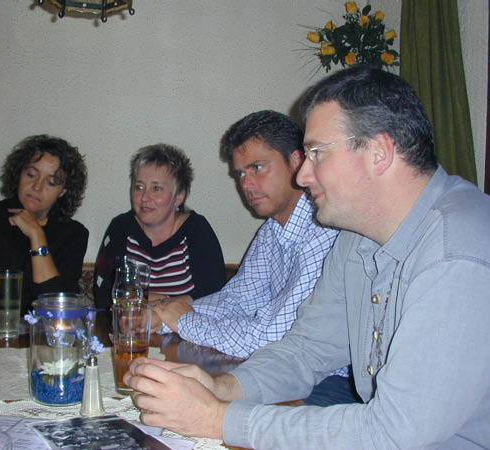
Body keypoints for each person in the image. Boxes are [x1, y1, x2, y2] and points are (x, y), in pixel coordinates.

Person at [124, 66, 490, 449]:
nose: (302, 176)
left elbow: (391, 431)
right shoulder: (357, 239)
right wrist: (222, 387)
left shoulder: (457, 252)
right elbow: (306, 350)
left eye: (317, 153)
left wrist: (217, 418)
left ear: (378, 153)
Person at [152, 111, 354, 406]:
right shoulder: (272, 231)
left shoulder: (324, 230)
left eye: (257, 168)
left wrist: (185, 321)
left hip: (333, 385)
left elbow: (273, 337)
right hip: (284, 372)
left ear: (296, 161)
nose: (246, 185)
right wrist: (165, 314)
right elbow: (236, 300)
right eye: (240, 174)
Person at [0, 135, 89, 318]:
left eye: (51, 182)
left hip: (44, 333)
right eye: (31, 175)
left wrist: (36, 235)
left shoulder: (73, 234)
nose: (37, 187)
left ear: (63, 191)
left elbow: (57, 308)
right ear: (19, 174)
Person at [93, 144, 226, 311]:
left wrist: (143, 300)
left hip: (184, 327)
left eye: (156, 188)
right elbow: (104, 295)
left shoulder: (197, 230)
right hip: (130, 327)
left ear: (178, 197)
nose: (144, 197)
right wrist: (169, 302)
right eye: (139, 187)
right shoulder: (120, 228)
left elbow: (214, 297)